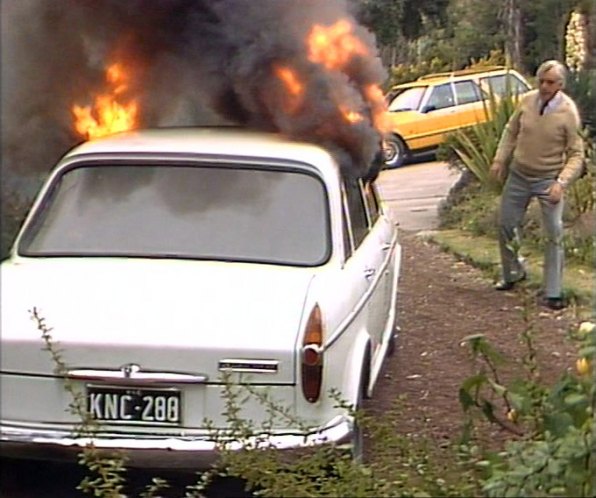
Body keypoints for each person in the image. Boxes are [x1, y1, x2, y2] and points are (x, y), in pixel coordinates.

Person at [489, 59, 585, 310]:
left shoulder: (568, 113)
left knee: (554, 233)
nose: (544, 86)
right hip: (519, 174)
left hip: (548, 179)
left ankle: (553, 292)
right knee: (506, 223)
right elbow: (511, 131)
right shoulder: (527, 101)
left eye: (550, 82)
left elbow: (576, 154)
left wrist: (561, 183)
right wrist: (500, 160)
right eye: (541, 80)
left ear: (560, 85)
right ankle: (513, 273)